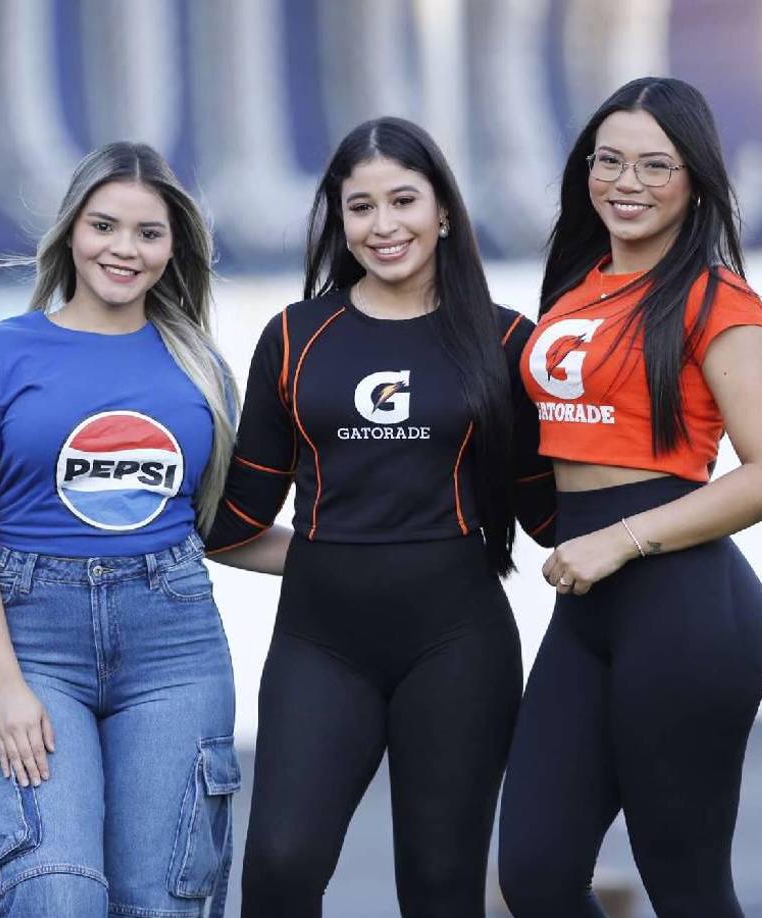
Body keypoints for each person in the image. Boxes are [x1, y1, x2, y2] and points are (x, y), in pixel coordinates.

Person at [203, 116, 558, 917]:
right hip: (321, 645)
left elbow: (550, 519)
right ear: (338, 219)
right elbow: (231, 524)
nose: (384, 225)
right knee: (281, 870)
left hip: (459, 646)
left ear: (442, 212)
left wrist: (657, 511)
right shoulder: (295, 338)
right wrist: (342, 553)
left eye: (403, 200)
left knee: (440, 889)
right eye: (360, 207)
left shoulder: (505, 342)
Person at [498, 77, 762, 917]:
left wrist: (618, 540)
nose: (626, 182)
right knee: (533, 875)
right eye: (610, 161)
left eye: (654, 166)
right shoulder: (574, 288)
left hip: (687, 610)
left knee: (686, 884)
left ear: (695, 181)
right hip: (588, 613)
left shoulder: (717, 300)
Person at [0, 142, 240, 918]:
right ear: (72, 230)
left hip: (174, 646)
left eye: (148, 233)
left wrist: (377, 555)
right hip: (34, 646)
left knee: (160, 904)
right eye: (105, 225)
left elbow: (223, 528)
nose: (124, 249)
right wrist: (6, 688)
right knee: (57, 895)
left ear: (174, 250)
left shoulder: (198, 366)